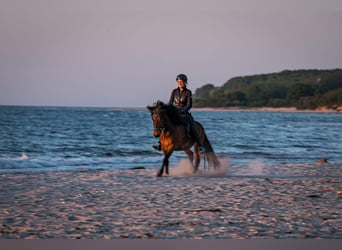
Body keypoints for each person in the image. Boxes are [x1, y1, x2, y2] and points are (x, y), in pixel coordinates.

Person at [152, 74, 205, 153]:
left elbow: (189, 105)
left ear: (185, 82)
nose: (180, 83)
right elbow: (170, 103)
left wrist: (182, 111)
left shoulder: (188, 92)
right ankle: (160, 143)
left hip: (185, 114)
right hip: (175, 113)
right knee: (164, 123)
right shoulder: (174, 91)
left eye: (181, 82)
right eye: (178, 82)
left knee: (193, 127)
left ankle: (200, 146)